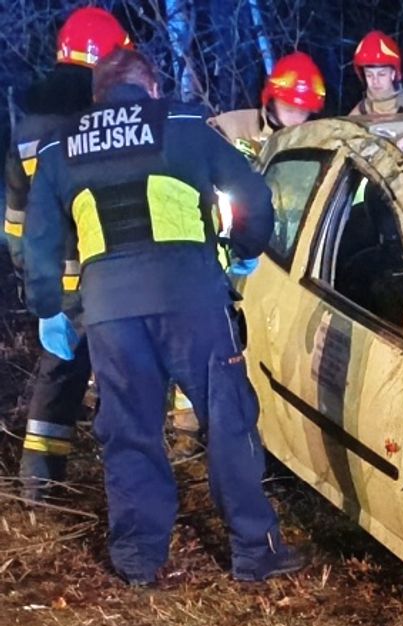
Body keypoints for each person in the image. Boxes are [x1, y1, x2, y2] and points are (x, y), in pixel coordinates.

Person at [22, 48, 303, 585]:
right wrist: (245, 249)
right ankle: (254, 552)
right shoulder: (183, 123)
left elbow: (39, 239)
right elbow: (253, 197)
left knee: (128, 432)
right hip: (192, 297)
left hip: (109, 312)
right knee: (227, 419)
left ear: (97, 95)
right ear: (150, 88)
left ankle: (137, 562)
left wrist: (47, 309)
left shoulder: (60, 147)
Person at [4, 7, 131, 501]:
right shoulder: (107, 120)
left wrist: (34, 281)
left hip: (55, 275)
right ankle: (123, 483)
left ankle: (38, 485)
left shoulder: (28, 126)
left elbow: (16, 219)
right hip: (108, 269)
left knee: (57, 372)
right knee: (124, 370)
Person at [209, 51, 326, 160]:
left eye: (302, 112)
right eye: (289, 110)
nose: (296, 120)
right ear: (271, 101)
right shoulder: (233, 127)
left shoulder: (314, 142)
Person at [350, 31, 403, 116]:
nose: (375, 81)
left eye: (381, 74)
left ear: (393, 74)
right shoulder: (357, 115)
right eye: (369, 75)